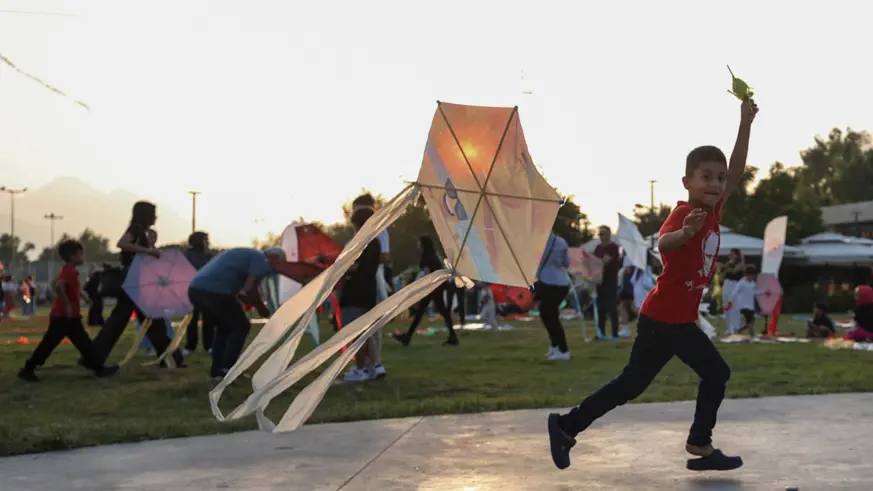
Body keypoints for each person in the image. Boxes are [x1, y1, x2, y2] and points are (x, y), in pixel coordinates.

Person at [548, 97, 758, 473]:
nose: (716, 183)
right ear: (688, 182)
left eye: (720, 178)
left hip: (663, 320)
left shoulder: (714, 208)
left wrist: (745, 123)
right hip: (669, 321)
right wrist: (685, 232)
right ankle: (700, 442)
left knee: (630, 385)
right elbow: (663, 244)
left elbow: (738, 168)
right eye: (706, 176)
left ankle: (566, 426)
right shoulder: (684, 213)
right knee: (717, 373)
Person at [88, 201, 184, 367]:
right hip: (136, 282)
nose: (156, 217)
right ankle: (171, 358)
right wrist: (148, 251)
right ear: (146, 215)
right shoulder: (136, 229)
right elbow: (122, 243)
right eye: (153, 213)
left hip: (135, 282)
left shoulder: (140, 231)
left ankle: (93, 357)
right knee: (152, 321)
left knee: (130, 322)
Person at [18, 239, 119, 382]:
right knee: (57, 344)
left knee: (81, 343)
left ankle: (98, 367)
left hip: (66, 316)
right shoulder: (68, 271)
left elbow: (72, 288)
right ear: (72, 257)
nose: (82, 257)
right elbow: (59, 287)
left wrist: (84, 297)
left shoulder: (69, 271)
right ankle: (28, 369)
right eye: (80, 254)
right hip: (64, 317)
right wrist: (68, 306)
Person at [188, 247, 288, 379]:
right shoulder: (260, 259)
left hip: (196, 289)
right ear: (274, 258)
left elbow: (241, 294)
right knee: (241, 326)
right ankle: (228, 368)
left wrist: (253, 301)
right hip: (215, 291)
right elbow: (249, 290)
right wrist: (261, 309)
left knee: (224, 329)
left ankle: (218, 371)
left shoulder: (243, 255)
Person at [339, 207, 384, 382]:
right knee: (366, 331)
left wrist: (338, 270)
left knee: (355, 333)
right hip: (369, 290)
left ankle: (361, 369)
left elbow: (354, 266)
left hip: (354, 292)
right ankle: (376, 365)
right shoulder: (376, 241)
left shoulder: (359, 242)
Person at [393, 235, 458, 346]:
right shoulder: (433, 255)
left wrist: (423, 289)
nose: (418, 244)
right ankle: (453, 336)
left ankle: (408, 337)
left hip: (433, 286)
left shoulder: (426, 256)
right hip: (438, 285)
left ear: (423, 244)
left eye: (419, 242)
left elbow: (428, 274)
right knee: (437, 311)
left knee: (422, 311)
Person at [351, 195, 388, 379]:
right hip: (369, 279)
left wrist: (363, 263)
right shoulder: (363, 236)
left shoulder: (377, 232)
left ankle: (372, 364)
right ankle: (371, 364)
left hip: (371, 280)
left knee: (370, 326)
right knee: (366, 326)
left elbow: (386, 257)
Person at [536, 229, 571, 360]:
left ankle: (563, 349)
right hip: (562, 282)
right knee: (549, 315)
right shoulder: (561, 242)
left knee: (550, 317)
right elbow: (566, 263)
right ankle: (555, 346)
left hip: (547, 281)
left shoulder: (538, 241)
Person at [183, 231, 215, 355]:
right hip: (192, 290)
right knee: (192, 319)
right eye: (206, 240)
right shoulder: (188, 255)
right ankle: (190, 346)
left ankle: (209, 345)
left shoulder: (210, 256)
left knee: (209, 320)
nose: (208, 243)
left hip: (207, 290)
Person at [593, 226, 620, 339]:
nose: (601, 237)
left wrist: (596, 263)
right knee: (600, 308)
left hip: (611, 280)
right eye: (599, 234)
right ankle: (601, 333)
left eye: (603, 234)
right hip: (600, 281)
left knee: (612, 307)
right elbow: (594, 262)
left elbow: (605, 261)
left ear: (609, 234)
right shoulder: (598, 248)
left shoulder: (613, 247)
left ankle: (614, 333)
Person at [724, 265, 759, 337]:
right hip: (743, 305)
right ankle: (753, 336)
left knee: (751, 321)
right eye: (752, 275)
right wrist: (730, 302)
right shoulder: (742, 282)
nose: (753, 277)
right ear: (748, 275)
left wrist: (765, 292)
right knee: (750, 321)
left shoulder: (753, 283)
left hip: (751, 306)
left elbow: (756, 291)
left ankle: (739, 330)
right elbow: (734, 292)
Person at [720, 249, 745, 335]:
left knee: (734, 307)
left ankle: (735, 327)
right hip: (727, 284)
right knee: (726, 306)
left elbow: (734, 271)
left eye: (733, 254)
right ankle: (729, 328)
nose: (730, 255)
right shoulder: (728, 263)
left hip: (735, 284)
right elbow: (722, 276)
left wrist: (726, 267)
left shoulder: (740, 263)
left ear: (737, 255)